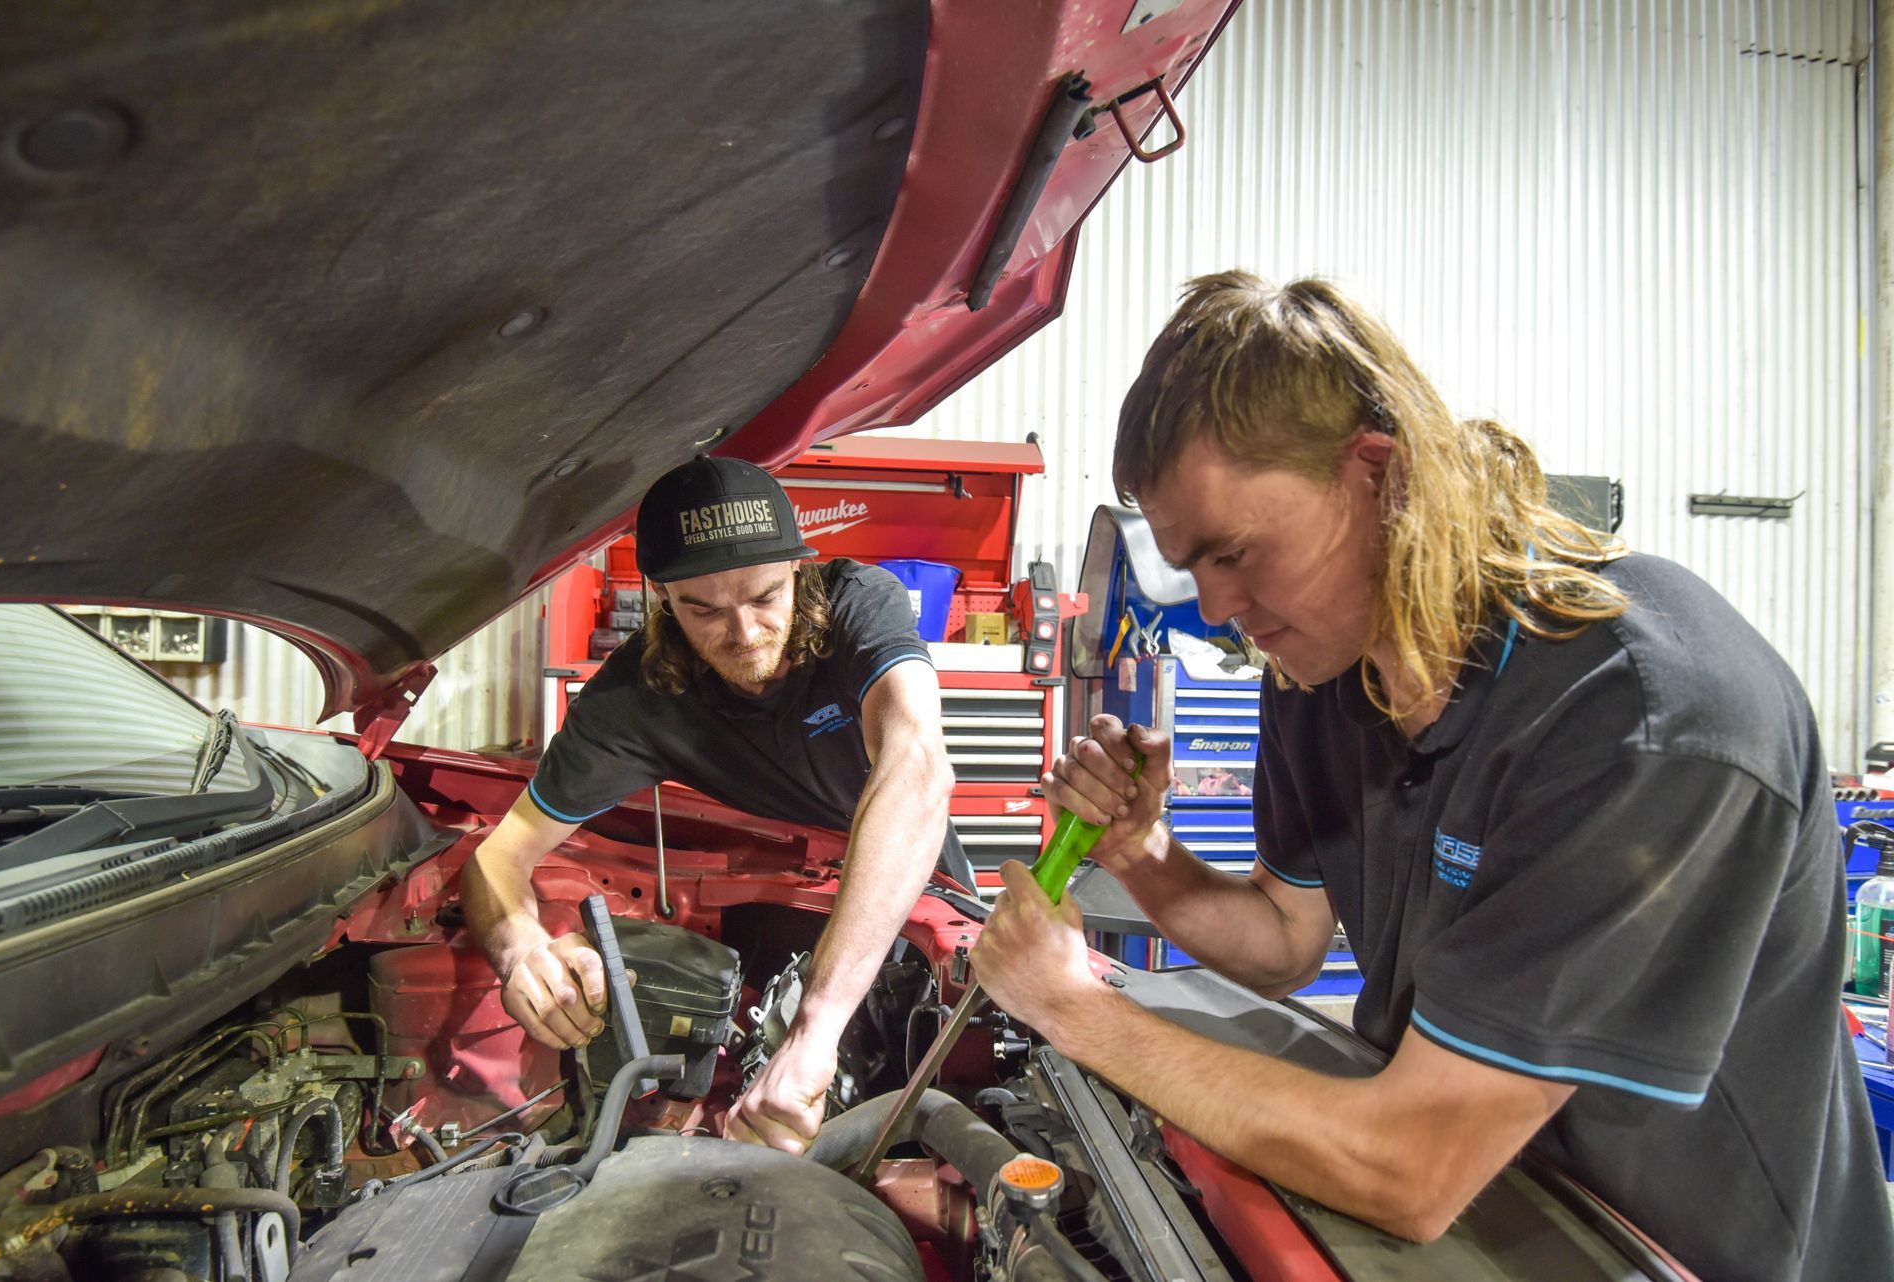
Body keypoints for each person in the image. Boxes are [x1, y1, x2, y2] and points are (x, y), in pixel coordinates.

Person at [971, 272, 1894, 1281]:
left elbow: (1413, 1165)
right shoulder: (1324, 668)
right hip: (1487, 1226)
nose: (1220, 604)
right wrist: (1141, 850)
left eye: (1235, 552)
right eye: (1194, 566)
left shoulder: (1643, 723)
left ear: (1377, 472)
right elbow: (1284, 943)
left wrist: (1079, 1010)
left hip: (1681, 1250)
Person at [462, 454, 966, 1153]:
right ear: (663, 595)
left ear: (799, 569)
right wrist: (520, 952)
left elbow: (917, 766)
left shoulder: (860, 602)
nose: (744, 631)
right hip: (774, 932)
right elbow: (497, 859)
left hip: (908, 889)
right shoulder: (633, 699)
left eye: (763, 597)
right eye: (704, 608)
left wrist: (815, 1032)